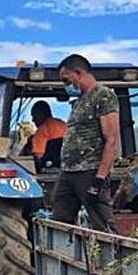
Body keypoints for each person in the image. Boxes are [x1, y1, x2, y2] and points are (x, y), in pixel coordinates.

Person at [52, 54, 120, 231]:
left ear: (78, 73)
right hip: (68, 172)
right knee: (59, 221)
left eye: (66, 80)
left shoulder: (103, 96)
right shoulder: (79, 101)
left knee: (102, 224)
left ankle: (112, 257)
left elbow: (111, 140)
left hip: (89, 171)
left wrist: (99, 179)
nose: (66, 86)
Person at [27, 100, 66, 171]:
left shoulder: (42, 130)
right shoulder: (64, 125)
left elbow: (39, 155)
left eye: (34, 116)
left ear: (41, 114)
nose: (33, 120)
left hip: (47, 168)